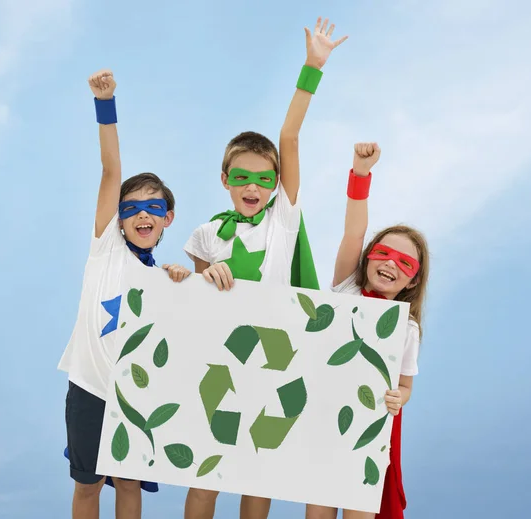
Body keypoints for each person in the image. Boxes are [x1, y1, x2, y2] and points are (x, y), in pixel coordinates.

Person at [183, 16, 348, 519]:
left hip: (276, 354)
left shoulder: (283, 218)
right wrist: (203, 275)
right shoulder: (207, 233)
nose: (252, 187)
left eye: (263, 178)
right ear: (224, 179)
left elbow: (289, 136)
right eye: (241, 177)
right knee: (208, 470)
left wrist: (311, 68)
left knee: (260, 471)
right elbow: (189, 300)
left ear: (276, 183)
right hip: (222, 355)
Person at [58, 69, 191, 519]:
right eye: (130, 208)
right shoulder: (105, 248)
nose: (142, 214)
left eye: (153, 207)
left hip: (137, 391)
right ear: (117, 218)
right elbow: (111, 169)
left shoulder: (168, 277)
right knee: (89, 486)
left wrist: (185, 279)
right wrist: (106, 105)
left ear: (167, 218)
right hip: (89, 387)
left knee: (130, 483)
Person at [305, 143, 430, 519]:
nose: (391, 264)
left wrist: (398, 398)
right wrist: (361, 174)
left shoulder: (406, 328)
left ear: (413, 280)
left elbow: (405, 386)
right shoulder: (347, 288)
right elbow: (353, 231)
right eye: (384, 253)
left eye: (404, 263)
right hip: (326, 420)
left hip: (370, 429)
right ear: (368, 256)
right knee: (319, 508)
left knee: (361, 510)